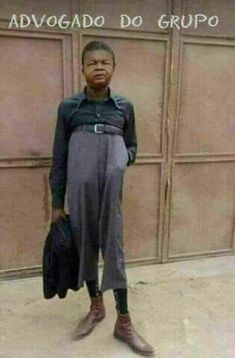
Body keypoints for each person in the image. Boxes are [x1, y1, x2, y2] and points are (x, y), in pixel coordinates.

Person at [49, 40, 155, 356]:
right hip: (79, 191)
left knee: (114, 247)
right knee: (84, 244)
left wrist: (123, 157)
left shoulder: (124, 107)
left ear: (113, 68)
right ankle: (96, 307)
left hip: (111, 190)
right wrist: (57, 203)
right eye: (92, 62)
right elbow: (59, 156)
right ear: (82, 69)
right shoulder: (69, 108)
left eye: (104, 62)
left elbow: (133, 145)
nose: (99, 67)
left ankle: (123, 321)